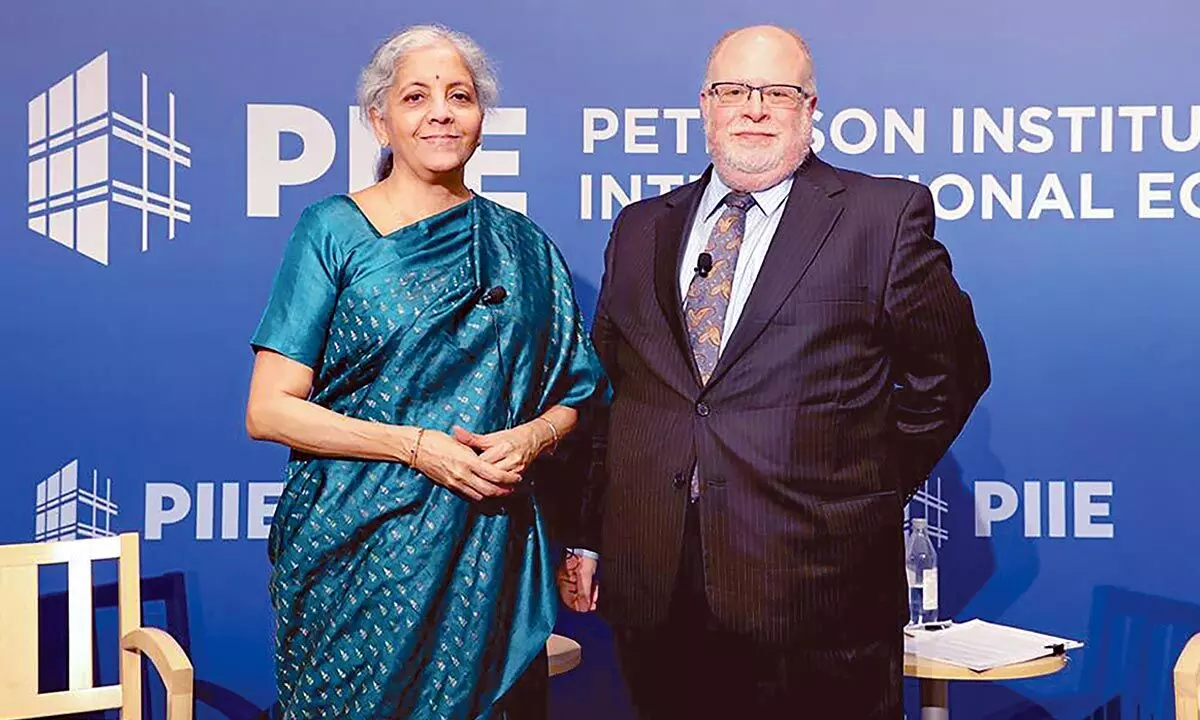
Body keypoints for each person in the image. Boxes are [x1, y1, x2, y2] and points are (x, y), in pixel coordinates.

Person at [557, 24, 990, 719]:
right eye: (734, 90)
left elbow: (951, 372)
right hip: (658, 582)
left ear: (810, 108)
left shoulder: (881, 216)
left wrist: (859, 487)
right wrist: (585, 529)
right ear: (705, 104)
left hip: (818, 590)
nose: (754, 107)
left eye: (777, 92)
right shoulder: (640, 227)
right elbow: (609, 392)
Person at [245, 24, 607, 720]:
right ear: (380, 119)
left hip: (487, 550)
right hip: (359, 556)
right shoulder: (333, 231)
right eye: (416, 96)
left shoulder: (523, 245)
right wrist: (416, 447)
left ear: (480, 118)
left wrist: (531, 437)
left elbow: (577, 396)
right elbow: (270, 409)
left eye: (459, 96)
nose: (440, 111)